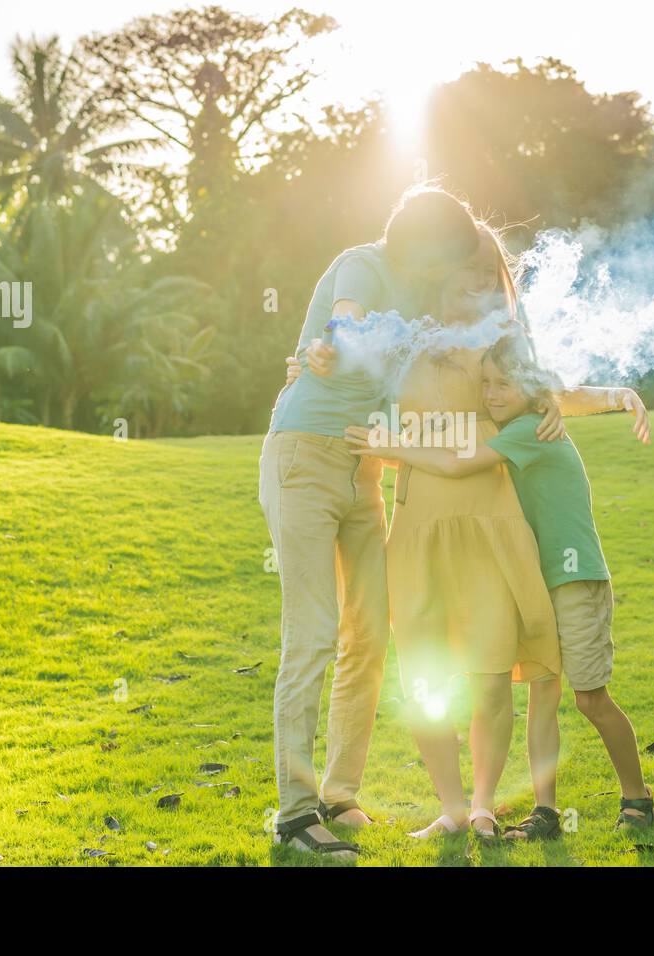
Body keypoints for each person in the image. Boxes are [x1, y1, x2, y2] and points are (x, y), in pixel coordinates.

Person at [345, 331, 654, 842]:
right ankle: (546, 813)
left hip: (573, 578)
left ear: (533, 389)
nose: (489, 394)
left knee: (591, 699)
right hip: (539, 573)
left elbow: (453, 462)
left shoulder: (529, 429)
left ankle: (637, 798)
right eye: (484, 383)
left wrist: (387, 446)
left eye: (502, 385)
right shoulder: (525, 421)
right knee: (542, 696)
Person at [258, 184, 482, 860]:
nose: (445, 270)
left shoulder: (418, 294)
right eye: (443, 255)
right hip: (305, 456)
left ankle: (337, 793)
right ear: (421, 241)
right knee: (314, 633)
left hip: (364, 469)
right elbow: (344, 323)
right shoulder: (363, 265)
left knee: (369, 631)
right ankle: (295, 817)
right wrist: (327, 346)